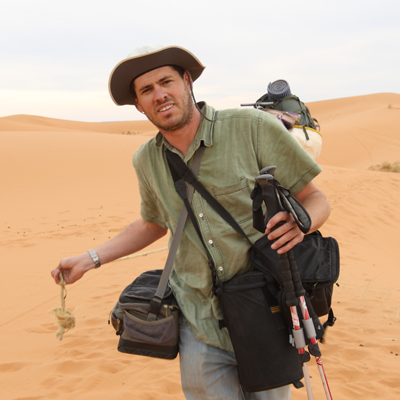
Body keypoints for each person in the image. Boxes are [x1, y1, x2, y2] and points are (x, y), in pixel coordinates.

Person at [51, 45, 331, 400]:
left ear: (186, 82)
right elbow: (152, 224)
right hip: (198, 321)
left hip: (266, 313)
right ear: (138, 104)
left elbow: (316, 199)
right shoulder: (146, 161)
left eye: (166, 81)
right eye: (146, 90)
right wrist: (90, 258)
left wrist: (301, 223)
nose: (160, 95)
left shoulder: (252, 128)